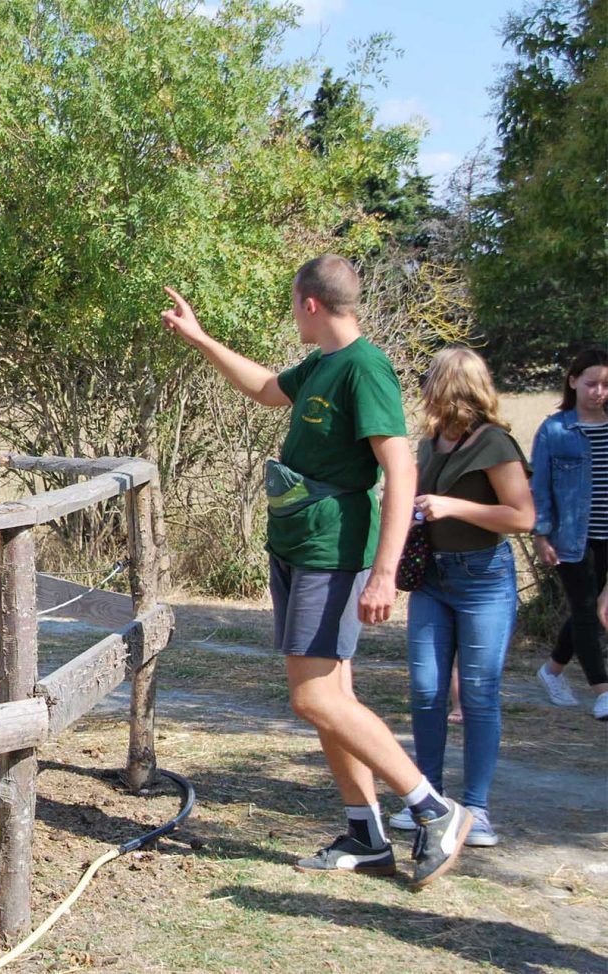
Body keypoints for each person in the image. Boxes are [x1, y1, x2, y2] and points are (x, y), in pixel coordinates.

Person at [162, 255, 473, 889]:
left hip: (332, 551)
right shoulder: (323, 364)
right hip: (299, 544)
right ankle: (366, 832)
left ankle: (433, 808)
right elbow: (264, 388)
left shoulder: (365, 368)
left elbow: (400, 470)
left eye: (292, 301)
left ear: (309, 303)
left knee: (313, 698)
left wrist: (386, 572)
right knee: (335, 700)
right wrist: (200, 339)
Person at [382, 349, 534, 848]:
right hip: (432, 579)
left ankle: (478, 809)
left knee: (478, 693)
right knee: (426, 690)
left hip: (483, 579)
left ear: (451, 386)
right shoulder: (431, 442)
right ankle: (429, 800)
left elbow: (522, 517)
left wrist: (452, 507)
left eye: (430, 381)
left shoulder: (493, 443)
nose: (423, 389)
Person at [529, 348, 608, 721]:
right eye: (591, 383)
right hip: (572, 538)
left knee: (590, 610)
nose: (599, 391)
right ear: (573, 381)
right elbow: (540, 488)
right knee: (585, 609)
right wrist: (541, 535)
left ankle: (553, 670)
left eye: (606, 385)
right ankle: (602, 690)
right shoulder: (555, 430)